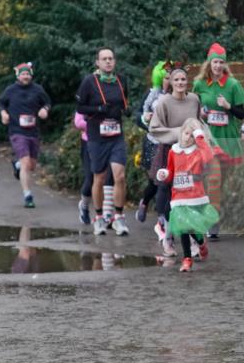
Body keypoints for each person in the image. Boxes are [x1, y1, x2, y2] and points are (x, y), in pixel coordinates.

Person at [75, 48, 131, 236]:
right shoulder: (89, 82)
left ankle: (118, 217)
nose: (108, 62)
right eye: (104, 59)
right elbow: (80, 107)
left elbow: (125, 102)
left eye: (111, 59)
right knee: (98, 177)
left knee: (120, 176)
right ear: (97, 62)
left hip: (116, 135)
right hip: (97, 137)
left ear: (115, 61)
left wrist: (126, 110)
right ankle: (98, 218)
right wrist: (99, 108)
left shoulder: (121, 80)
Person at [148, 66, 203, 257]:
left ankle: (194, 241)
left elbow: (198, 123)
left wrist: (201, 138)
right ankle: (168, 238)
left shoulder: (194, 99)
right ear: (170, 82)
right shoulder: (164, 102)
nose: (180, 83)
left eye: (183, 80)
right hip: (169, 152)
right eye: (176, 80)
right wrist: (179, 133)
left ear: (187, 82)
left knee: (190, 197)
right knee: (169, 198)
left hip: (190, 155)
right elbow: (154, 128)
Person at [192, 42, 244, 240]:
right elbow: (192, 109)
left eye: (221, 62)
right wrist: (201, 113)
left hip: (228, 139)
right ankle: (212, 222)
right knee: (212, 178)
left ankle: (212, 212)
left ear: (224, 64)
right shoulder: (199, 84)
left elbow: (242, 113)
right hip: (208, 139)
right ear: (209, 63)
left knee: (221, 181)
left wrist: (229, 106)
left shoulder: (232, 85)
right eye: (215, 62)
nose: (217, 66)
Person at [155, 119, 219, 272]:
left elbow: (208, 158)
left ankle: (201, 243)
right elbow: (171, 172)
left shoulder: (199, 151)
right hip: (178, 197)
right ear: (181, 133)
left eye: (192, 135)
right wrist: (164, 174)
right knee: (183, 227)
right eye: (186, 133)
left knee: (192, 228)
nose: (188, 137)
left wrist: (199, 136)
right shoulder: (173, 151)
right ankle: (187, 259)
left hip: (196, 196)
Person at [0, 62, 51, 208]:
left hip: (33, 131)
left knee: (31, 165)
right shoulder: (11, 90)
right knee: (26, 163)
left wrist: (44, 110)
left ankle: (17, 164)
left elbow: (47, 102)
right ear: (18, 76)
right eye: (23, 74)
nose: (25, 76)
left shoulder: (38, 90)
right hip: (17, 131)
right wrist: (4, 114)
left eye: (27, 74)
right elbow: (1, 103)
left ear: (31, 75)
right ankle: (28, 196)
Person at [134, 61, 170, 222]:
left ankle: (163, 217)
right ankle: (145, 201)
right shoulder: (151, 94)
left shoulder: (179, 95)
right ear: (160, 78)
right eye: (166, 77)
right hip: (152, 141)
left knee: (165, 179)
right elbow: (137, 117)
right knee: (154, 180)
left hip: (169, 142)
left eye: (171, 77)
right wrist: (145, 118)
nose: (169, 81)